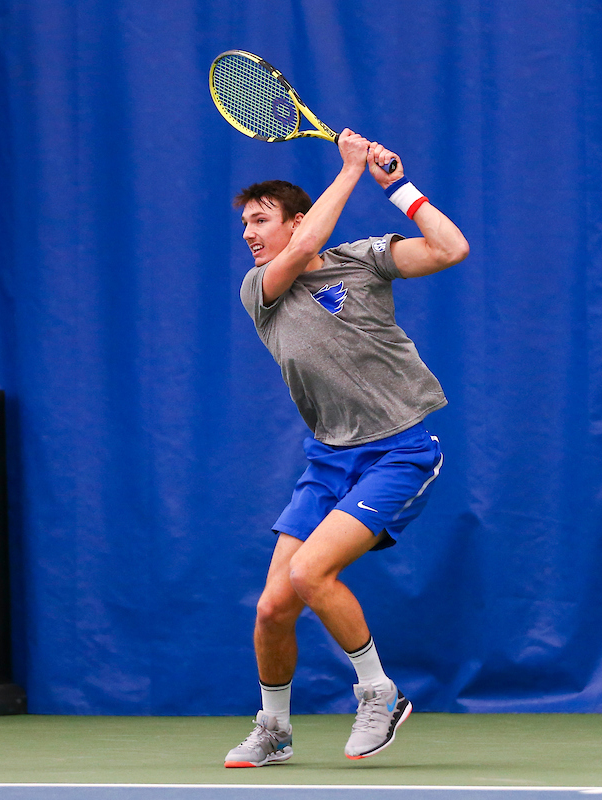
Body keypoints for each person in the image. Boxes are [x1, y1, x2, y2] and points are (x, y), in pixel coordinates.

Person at [224, 130, 469, 767]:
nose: (250, 233)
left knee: (310, 574)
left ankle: (378, 694)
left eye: (261, 219)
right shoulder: (261, 289)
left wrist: (399, 187)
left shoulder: (363, 261)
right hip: (329, 458)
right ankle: (274, 728)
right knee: (273, 606)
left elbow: (451, 248)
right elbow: (306, 246)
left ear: (297, 217)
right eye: (245, 223)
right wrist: (354, 166)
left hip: (402, 450)